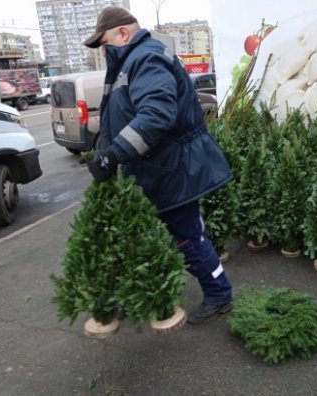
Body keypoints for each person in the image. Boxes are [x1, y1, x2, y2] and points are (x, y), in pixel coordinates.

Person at [84, 6, 233, 324]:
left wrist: (113, 155)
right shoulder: (130, 62)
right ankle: (143, 293)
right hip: (154, 169)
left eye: (104, 42)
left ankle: (219, 294)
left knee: (188, 236)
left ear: (123, 33)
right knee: (159, 235)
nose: (103, 50)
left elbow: (155, 116)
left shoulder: (146, 58)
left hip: (170, 170)